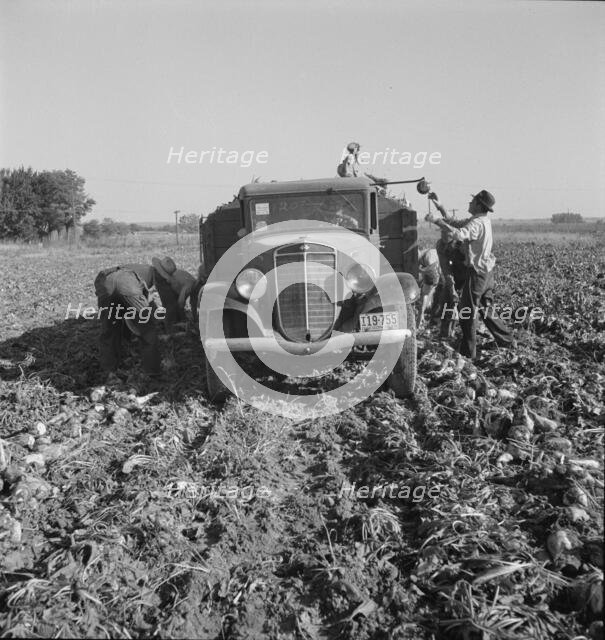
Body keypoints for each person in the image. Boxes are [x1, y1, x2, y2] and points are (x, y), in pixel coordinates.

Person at [426, 190, 514, 360]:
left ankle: (468, 354)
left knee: (466, 312)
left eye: (472, 200)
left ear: (479, 205)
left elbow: (458, 233)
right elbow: (455, 222)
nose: (469, 203)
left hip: (477, 274)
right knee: (486, 309)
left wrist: (436, 221)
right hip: (487, 272)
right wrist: (440, 206)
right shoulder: (481, 220)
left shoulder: (476, 224)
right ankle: (508, 341)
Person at [93, 257, 193, 376]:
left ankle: (109, 371)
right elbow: (144, 305)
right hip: (127, 283)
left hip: (105, 281)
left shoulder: (141, 269)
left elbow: (141, 303)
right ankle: (152, 372)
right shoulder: (152, 277)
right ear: (160, 274)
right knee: (148, 331)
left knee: (109, 329)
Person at [427, 191, 470, 337]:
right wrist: (451, 287)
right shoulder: (441, 246)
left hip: (471, 274)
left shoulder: (462, 242)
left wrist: (441, 210)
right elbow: (446, 268)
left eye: (447, 232)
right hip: (455, 274)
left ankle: (467, 333)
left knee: (468, 305)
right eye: (442, 233)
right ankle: (445, 333)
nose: (444, 235)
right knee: (447, 299)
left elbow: (451, 221)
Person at [417, 248, 441, 328]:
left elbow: (432, 268)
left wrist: (421, 270)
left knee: (427, 294)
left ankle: (428, 318)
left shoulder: (428, 257)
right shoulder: (423, 258)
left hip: (438, 272)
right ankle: (423, 315)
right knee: (425, 293)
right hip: (435, 272)